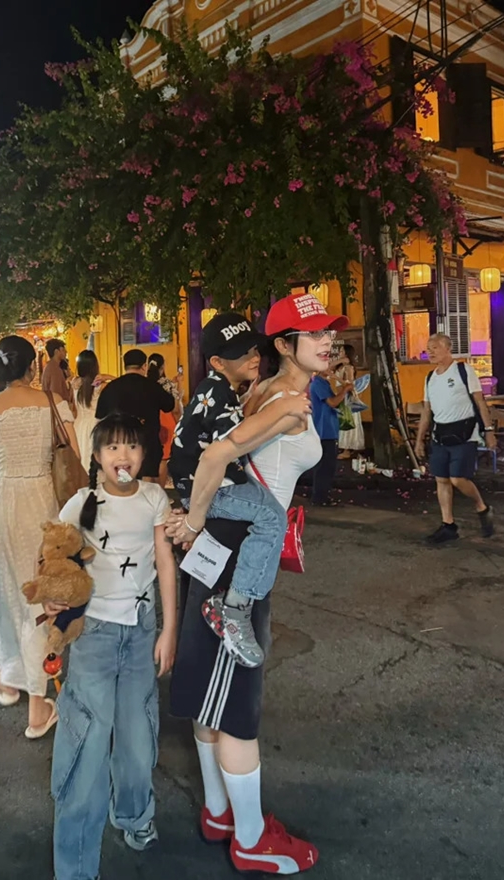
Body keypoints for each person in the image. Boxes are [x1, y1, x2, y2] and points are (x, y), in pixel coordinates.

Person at [166, 291, 348, 875]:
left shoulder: (258, 390)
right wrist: (194, 520)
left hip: (226, 550)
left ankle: (219, 812)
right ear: (284, 345)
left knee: (211, 692)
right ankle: (249, 840)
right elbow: (216, 455)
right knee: (237, 704)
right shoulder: (285, 401)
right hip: (236, 561)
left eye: (329, 331)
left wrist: (197, 521)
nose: (328, 341)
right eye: (314, 333)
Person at [48, 413, 177, 880]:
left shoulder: (154, 498)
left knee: (138, 736)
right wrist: (53, 600)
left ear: (144, 455)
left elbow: (164, 562)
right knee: (86, 745)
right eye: (113, 447)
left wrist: (168, 629)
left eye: (133, 447)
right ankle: (76, 867)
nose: (124, 456)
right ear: (98, 457)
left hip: (141, 634)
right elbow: (53, 559)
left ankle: (135, 816)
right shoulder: (81, 503)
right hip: (94, 638)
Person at [169, 312, 311, 668]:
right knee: (271, 518)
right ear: (218, 362)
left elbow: (240, 436)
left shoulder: (220, 389)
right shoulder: (217, 391)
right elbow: (237, 439)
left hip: (202, 483)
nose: (253, 357)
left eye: (254, 349)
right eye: (241, 353)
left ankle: (236, 603)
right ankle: (234, 606)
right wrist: (284, 407)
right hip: (211, 486)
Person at [0, 335, 80, 738]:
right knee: (39, 593)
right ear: (32, 366)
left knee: (6, 595)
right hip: (40, 500)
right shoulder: (53, 402)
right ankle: (37, 702)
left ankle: (10, 678)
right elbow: (73, 457)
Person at [415, 332, 496, 544]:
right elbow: (426, 411)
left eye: (435, 347)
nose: (430, 352)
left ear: (447, 348)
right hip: (440, 435)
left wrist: (488, 430)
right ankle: (448, 524)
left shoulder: (463, 370)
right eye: (428, 348)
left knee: (458, 479)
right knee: (441, 479)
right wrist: (419, 439)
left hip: (464, 433)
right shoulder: (430, 378)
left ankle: (482, 507)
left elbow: (479, 401)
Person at [95, 349, 175, 481]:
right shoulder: (152, 386)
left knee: (122, 479)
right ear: (144, 366)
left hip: (120, 442)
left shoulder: (111, 388)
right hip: (148, 441)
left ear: (125, 366)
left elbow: (100, 415)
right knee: (147, 480)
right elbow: (169, 405)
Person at [309, 362, 351, 506]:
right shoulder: (318, 383)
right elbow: (332, 402)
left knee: (328, 467)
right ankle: (320, 497)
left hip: (329, 429)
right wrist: (344, 390)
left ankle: (322, 495)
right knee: (325, 467)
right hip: (324, 431)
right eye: (330, 367)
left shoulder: (324, 383)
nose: (332, 370)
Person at [71, 350, 114, 473]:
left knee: (81, 461)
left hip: (78, 426)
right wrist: (108, 377)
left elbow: (74, 408)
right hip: (96, 425)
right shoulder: (100, 386)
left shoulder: (75, 383)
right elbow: (122, 384)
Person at [147, 352, 182, 489]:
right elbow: (175, 409)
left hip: (150, 421)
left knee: (150, 458)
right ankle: (160, 490)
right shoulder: (167, 384)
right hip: (166, 423)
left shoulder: (144, 383)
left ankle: (149, 491)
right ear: (162, 368)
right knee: (163, 458)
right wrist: (179, 423)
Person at [336, 344, 365, 460]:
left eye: (342, 351)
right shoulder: (341, 366)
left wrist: (336, 378)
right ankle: (345, 448)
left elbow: (350, 384)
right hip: (341, 396)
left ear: (347, 353)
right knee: (344, 421)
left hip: (347, 397)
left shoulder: (348, 368)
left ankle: (348, 449)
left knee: (348, 421)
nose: (339, 353)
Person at [42, 339, 74, 410]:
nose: (66, 352)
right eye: (63, 350)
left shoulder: (51, 366)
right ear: (56, 351)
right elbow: (56, 393)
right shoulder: (54, 369)